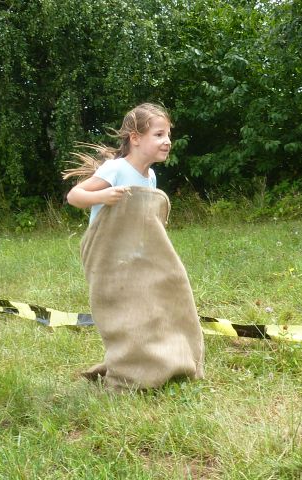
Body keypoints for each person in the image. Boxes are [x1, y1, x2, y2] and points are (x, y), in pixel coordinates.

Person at [63, 103, 205, 390]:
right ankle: (126, 373)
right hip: (110, 258)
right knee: (124, 316)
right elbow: (74, 196)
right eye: (159, 134)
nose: (167, 141)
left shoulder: (150, 177)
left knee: (151, 308)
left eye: (168, 135)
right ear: (135, 138)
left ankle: (158, 363)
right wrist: (103, 195)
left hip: (138, 257)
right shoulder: (116, 169)